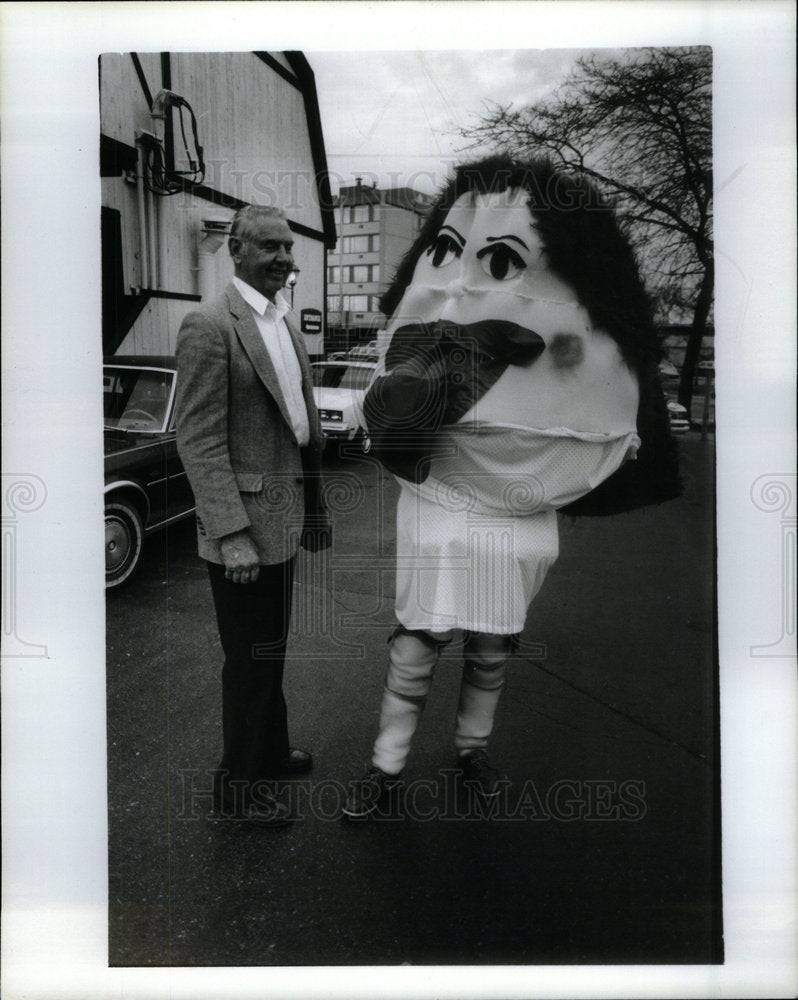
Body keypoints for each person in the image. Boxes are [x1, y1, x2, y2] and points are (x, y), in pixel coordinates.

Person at [343, 156, 680, 819]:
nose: (465, 284)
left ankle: (471, 750)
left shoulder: (576, 318)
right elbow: (389, 403)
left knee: (492, 645)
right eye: (447, 250)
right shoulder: (430, 341)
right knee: (417, 642)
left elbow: (599, 377)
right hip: (441, 502)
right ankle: (384, 770)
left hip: (521, 515)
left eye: (499, 262)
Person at [176, 204, 330, 827]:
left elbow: (299, 427)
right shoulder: (209, 324)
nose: (286, 259)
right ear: (236, 250)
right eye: (270, 247)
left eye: (289, 248)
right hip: (242, 531)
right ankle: (237, 791)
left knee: (270, 650)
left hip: (284, 519)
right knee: (248, 663)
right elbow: (199, 439)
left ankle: (267, 752)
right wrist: (231, 533)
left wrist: (313, 509)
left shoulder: (280, 321)